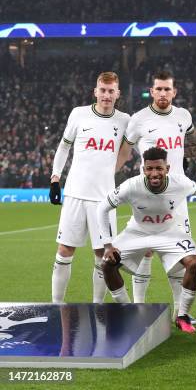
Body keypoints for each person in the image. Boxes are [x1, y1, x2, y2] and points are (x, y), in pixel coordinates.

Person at [97, 147, 196, 334]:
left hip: (169, 232)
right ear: (143, 169)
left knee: (195, 263)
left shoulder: (180, 183)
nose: (154, 173)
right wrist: (107, 245)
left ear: (167, 168)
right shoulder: (131, 186)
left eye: (159, 168)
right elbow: (102, 208)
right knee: (107, 264)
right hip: (137, 232)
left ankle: (182, 316)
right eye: (149, 169)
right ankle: (128, 310)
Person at [116, 71, 196, 320]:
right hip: (149, 193)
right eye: (159, 89)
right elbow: (124, 152)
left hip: (178, 194)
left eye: (167, 89)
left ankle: (180, 312)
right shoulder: (138, 119)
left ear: (174, 92)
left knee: (179, 254)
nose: (163, 93)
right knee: (146, 250)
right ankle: (137, 307)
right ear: (152, 91)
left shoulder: (184, 116)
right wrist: (109, 175)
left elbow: (189, 144)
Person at [50, 71, 130, 303]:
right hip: (75, 193)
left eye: (110, 91)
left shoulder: (124, 120)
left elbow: (129, 149)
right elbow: (64, 147)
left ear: (118, 93)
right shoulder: (79, 114)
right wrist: (56, 178)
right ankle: (56, 304)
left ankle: (97, 306)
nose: (106, 95)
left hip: (104, 200)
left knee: (103, 255)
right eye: (102, 90)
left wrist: (110, 171)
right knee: (65, 251)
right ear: (95, 91)